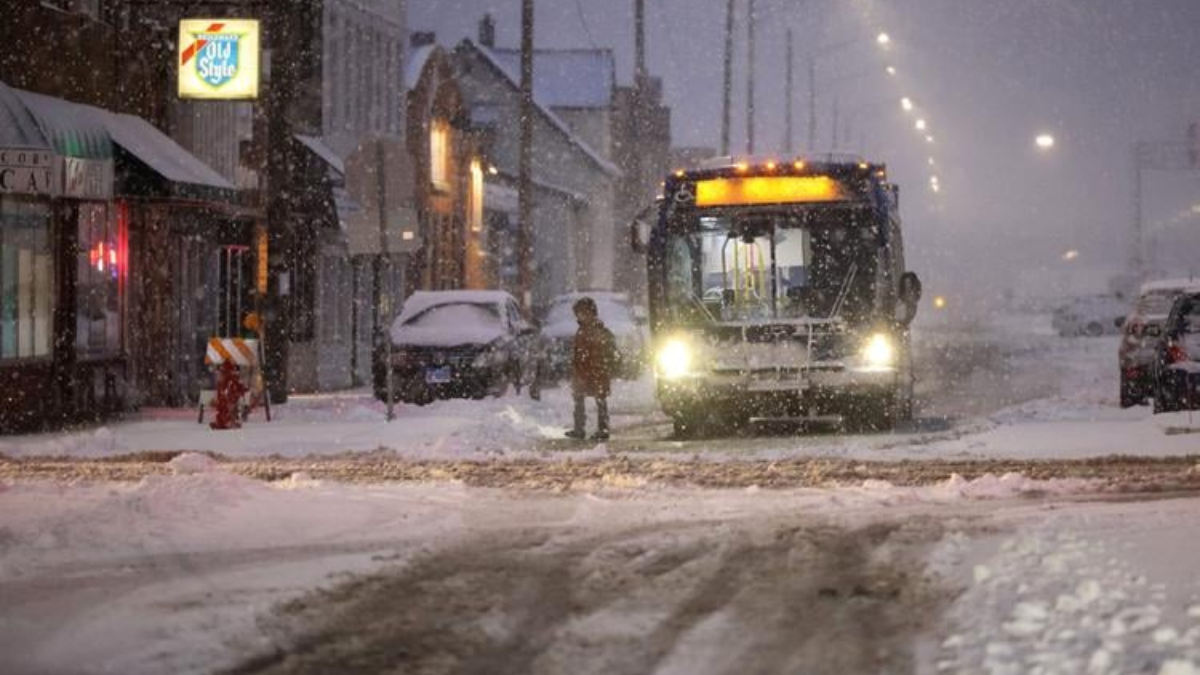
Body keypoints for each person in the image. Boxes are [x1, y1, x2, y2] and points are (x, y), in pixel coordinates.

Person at [566, 297, 617, 441]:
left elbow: (602, 352)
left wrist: (598, 367)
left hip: (596, 371)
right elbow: (578, 352)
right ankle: (579, 428)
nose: (579, 316)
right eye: (578, 313)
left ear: (591, 313)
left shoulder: (597, 330)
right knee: (579, 399)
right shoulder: (582, 330)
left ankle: (603, 429)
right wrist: (576, 367)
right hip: (583, 371)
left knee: (600, 400)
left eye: (582, 313)